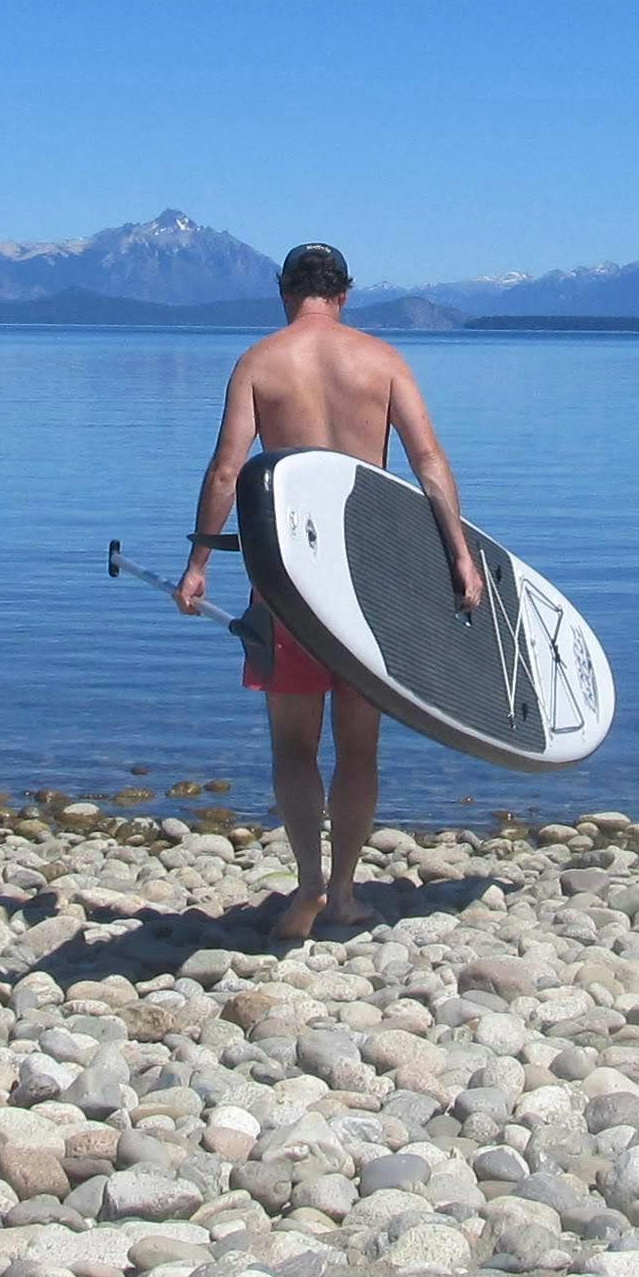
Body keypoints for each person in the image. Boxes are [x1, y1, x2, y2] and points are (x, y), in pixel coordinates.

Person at [177, 241, 482, 942]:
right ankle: (344, 895)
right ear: (344, 294)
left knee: (292, 746)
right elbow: (428, 462)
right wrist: (460, 557)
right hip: (370, 578)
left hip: (287, 577)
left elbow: (227, 470)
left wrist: (198, 564)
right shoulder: (382, 362)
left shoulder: (260, 362)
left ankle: (308, 885)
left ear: (287, 292)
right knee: (359, 749)